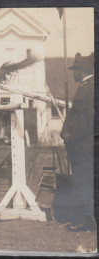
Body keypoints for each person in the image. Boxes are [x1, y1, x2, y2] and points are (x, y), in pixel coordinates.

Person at [60, 52, 95, 231]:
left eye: (74, 70)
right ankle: (86, 219)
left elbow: (86, 118)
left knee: (83, 180)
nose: (73, 74)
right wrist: (63, 132)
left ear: (81, 71)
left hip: (83, 146)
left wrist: (70, 135)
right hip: (81, 145)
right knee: (84, 180)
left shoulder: (88, 89)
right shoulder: (85, 87)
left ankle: (87, 221)